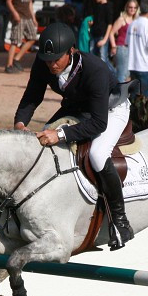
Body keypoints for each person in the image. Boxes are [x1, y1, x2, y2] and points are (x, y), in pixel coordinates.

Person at [13, 22, 135, 250]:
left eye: (56, 59)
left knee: (98, 155)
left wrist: (60, 134)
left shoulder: (94, 69)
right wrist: (20, 123)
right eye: (47, 59)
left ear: (71, 51)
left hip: (110, 109)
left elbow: (98, 123)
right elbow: (32, 97)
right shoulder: (44, 64)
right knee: (42, 144)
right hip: (79, 106)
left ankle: (120, 222)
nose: (51, 64)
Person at [5, 0, 37, 73]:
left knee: (32, 38)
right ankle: (9, 65)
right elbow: (9, 1)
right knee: (15, 40)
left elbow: (30, 2)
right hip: (19, 16)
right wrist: (14, 13)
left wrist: (34, 17)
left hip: (28, 16)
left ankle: (16, 59)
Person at [87, 0, 114, 70]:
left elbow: (110, 24)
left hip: (102, 35)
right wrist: (92, 24)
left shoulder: (109, 6)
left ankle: (114, 75)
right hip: (94, 34)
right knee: (92, 57)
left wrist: (105, 39)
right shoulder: (97, 6)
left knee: (103, 59)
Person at [110, 0, 137, 84]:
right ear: (126, 8)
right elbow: (111, 33)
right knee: (121, 74)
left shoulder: (136, 20)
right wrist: (113, 46)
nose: (132, 9)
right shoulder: (122, 19)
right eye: (130, 7)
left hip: (132, 49)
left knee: (127, 74)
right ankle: (119, 94)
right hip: (122, 47)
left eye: (134, 7)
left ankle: (124, 94)